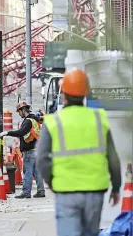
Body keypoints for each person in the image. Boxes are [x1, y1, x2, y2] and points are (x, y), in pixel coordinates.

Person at [36, 68, 121, 236]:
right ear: (85, 94)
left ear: (64, 94)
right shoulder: (98, 118)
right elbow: (113, 158)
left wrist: (53, 183)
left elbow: (42, 160)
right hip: (95, 192)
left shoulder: (54, 121)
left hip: (66, 192)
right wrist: (116, 187)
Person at [0, 101, 45, 199]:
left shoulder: (28, 121)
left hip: (30, 151)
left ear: (23, 110)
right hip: (37, 149)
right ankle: (41, 191)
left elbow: (21, 132)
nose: (19, 114)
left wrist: (7, 133)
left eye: (19, 111)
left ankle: (26, 192)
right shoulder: (34, 119)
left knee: (27, 171)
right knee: (37, 172)